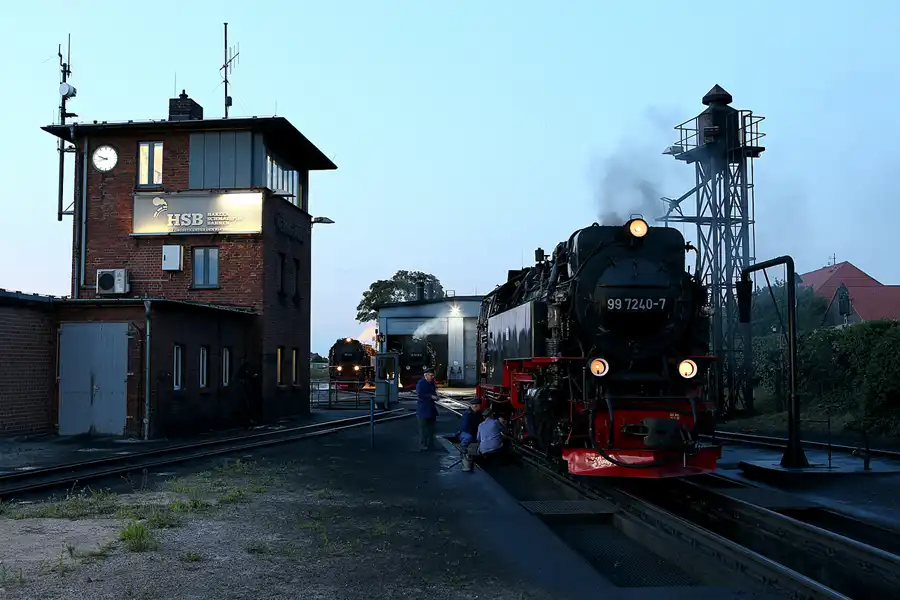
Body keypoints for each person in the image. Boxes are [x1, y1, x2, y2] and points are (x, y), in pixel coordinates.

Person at [415, 368, 439, 450]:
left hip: (431, 408)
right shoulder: (421, 383)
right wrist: (431, 396)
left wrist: (435, 395)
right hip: (423, 408)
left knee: (432, 428)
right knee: (423, 428)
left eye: (433, 375)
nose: (432, 377)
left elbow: (433, 391)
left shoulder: (431, 383)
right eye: (431, 375)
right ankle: (422, 445)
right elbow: (419, 394)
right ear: (426, 375)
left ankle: (431, 444)